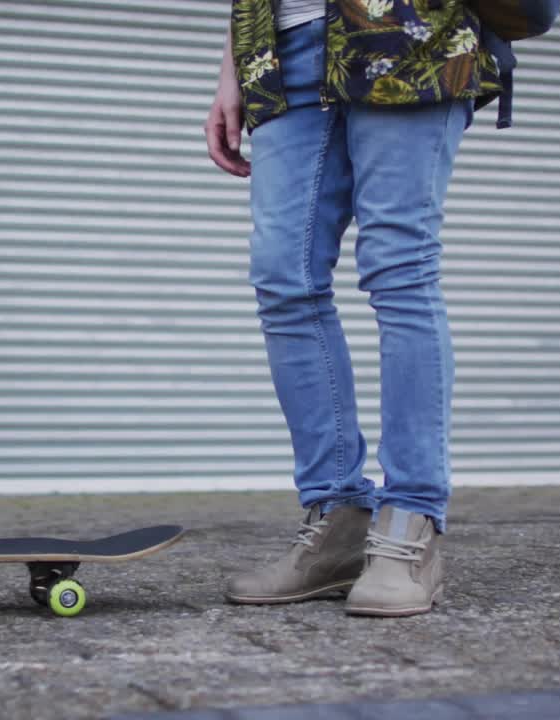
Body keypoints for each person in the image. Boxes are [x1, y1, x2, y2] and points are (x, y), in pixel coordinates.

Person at [205, 0, 501, 617]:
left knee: (399, 267)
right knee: (283, 278)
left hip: (408, 27)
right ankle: (336, 517)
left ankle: (411, 522)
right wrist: (232, 65)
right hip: (281, 45)